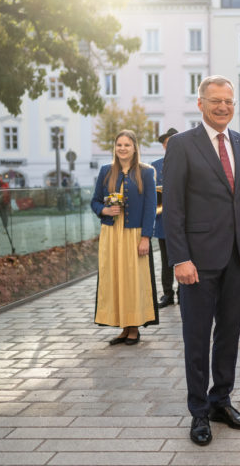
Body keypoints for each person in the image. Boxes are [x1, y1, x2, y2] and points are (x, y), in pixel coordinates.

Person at [163, 75, 240, 447]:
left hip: (236, 257)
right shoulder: (182, 145)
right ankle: (199, 411)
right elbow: (172, 207)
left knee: (229, 335)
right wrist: (180, 258)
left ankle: (222, 401)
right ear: (200, 103)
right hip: (197, 262)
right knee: (197, 337)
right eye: (215, 100)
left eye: (228, 102)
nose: (223, 107)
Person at [90, 129, 158, 347]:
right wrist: (104, 211)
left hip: (134, 233)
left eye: (127, 145)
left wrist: (146, 237)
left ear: (134, 147)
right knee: (115, 279)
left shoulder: (146, 172)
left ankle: (134, 327)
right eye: (119, 145)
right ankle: (122, 326)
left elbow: (150, 207)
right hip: (111, 234)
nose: (122, 148)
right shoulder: (105, 171)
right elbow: (94, 201)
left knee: (133, 280)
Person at [153, 127, 179, 309]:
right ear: (163, 146)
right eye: (167, 143)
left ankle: (184, 293)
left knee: (185, 258)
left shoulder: (188, 161)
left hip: (184, 220)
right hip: (163, 221)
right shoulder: (154, 166)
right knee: (165, 261)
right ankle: (168, 294)